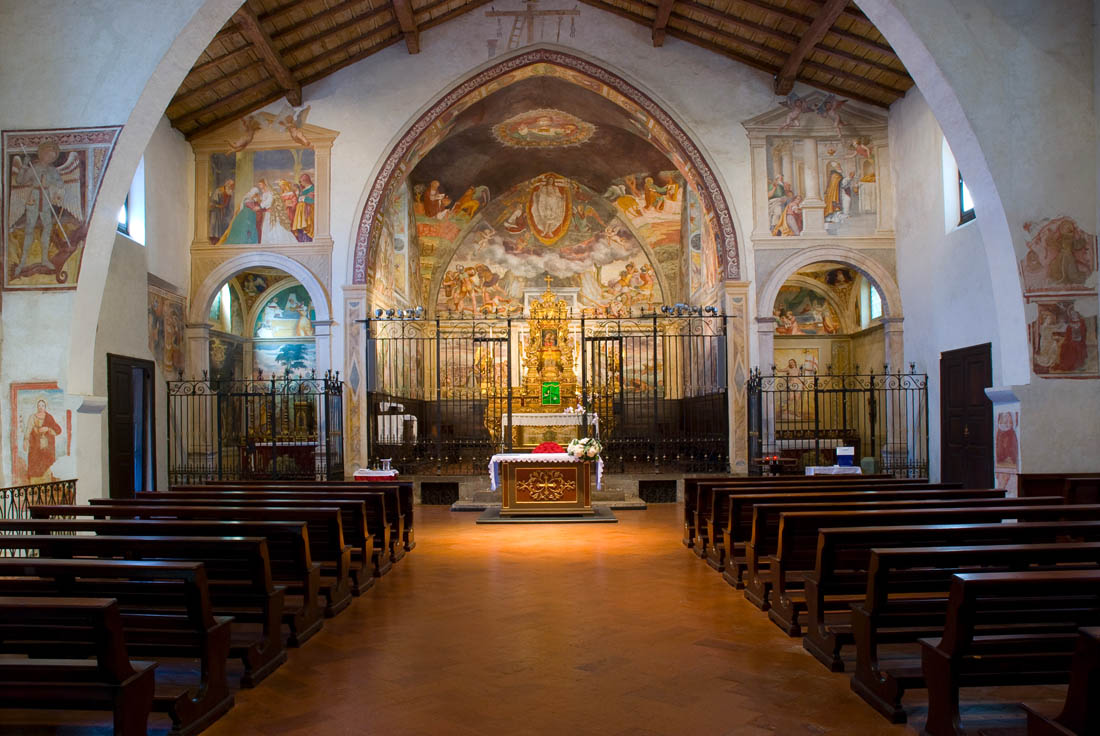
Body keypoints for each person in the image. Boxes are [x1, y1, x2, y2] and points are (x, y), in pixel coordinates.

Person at [15, 140, 64, 275]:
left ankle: (44, 259)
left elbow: (60, 183)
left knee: (47, 227)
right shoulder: (34, 168)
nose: (50, 158)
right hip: (34, 198)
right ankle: (23, 261)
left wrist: (51, 181)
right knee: (29, 228)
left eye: (52, 156)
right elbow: (20, 181)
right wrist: (24, 166)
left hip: (46, 198)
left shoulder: (52, 170)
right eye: (48, 155)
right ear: (42, 154)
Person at [24, 399, 62, 483]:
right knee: (34, 463)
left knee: (46, 467)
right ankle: (34, 484)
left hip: (47, 447)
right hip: (35, 446)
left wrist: (47, 429)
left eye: (42, 405)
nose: (40, 407)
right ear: (37, 407)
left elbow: (58, 430)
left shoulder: (49, 417)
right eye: (39, 405)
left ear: (45, 407)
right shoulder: (32, 417)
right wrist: (26, 440)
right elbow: (28, 430)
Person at [259, 179, 295, 244]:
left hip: (272, 213)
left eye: (260, 184)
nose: (259, 186)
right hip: (268, 212)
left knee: (275, 227)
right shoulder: (264, 193)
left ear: (264, 184)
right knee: (266, 227)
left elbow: (268, 202)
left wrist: (261, 205)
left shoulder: (270, 192)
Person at [208, 178, 235, 243]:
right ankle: (214, 240)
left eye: (233, 186)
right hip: (216, 211)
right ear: (228, 185)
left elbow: (228, 206)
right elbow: (213, 203)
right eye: (231, 186)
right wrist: (219, 206)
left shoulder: (229, 193)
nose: (232, 188)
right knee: (214, 226)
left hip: (223, 212)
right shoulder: (218, 191)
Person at [292, 173, 314, 241]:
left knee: (306, 227)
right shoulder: (303, 189)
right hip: (300, 212)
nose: (301, 183)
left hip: (308, 211)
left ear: (305, 181)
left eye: (301, 181)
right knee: (300, 228)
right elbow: (299, 199)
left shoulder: (312, 188)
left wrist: (303, 198)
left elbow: (312, 200)